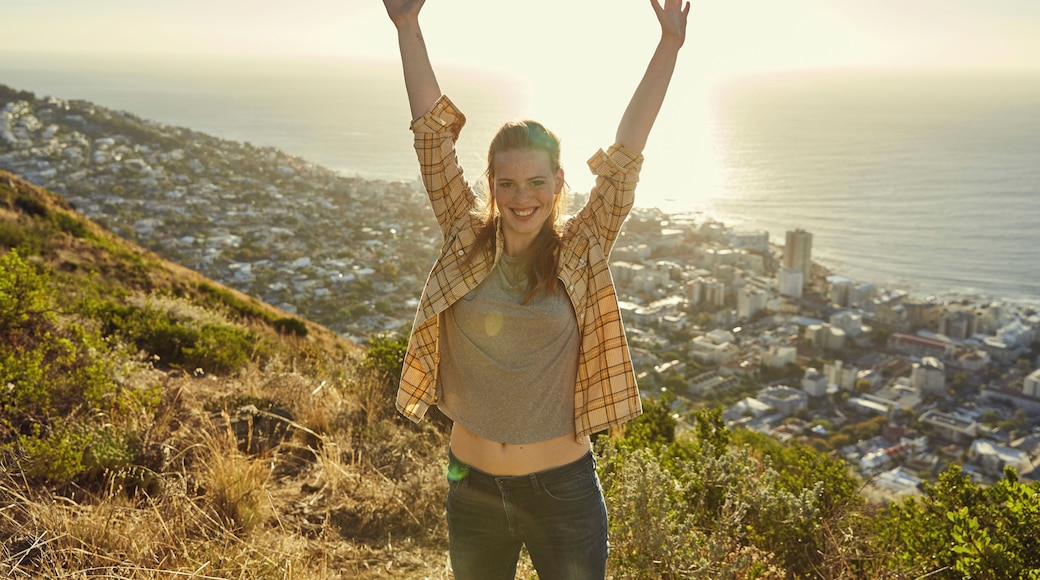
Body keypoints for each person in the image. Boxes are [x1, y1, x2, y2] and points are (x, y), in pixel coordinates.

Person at [382, 1, 689, 577]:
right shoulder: (463, 237)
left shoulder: (583, 246)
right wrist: (407, 26)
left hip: (563, 493)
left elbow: (625, 157)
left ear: (559, 183)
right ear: (491, 187)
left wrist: (668, 46)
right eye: (508, 183)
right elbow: (432, 140)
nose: (523, 197)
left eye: (537, 182)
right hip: (470, 488)